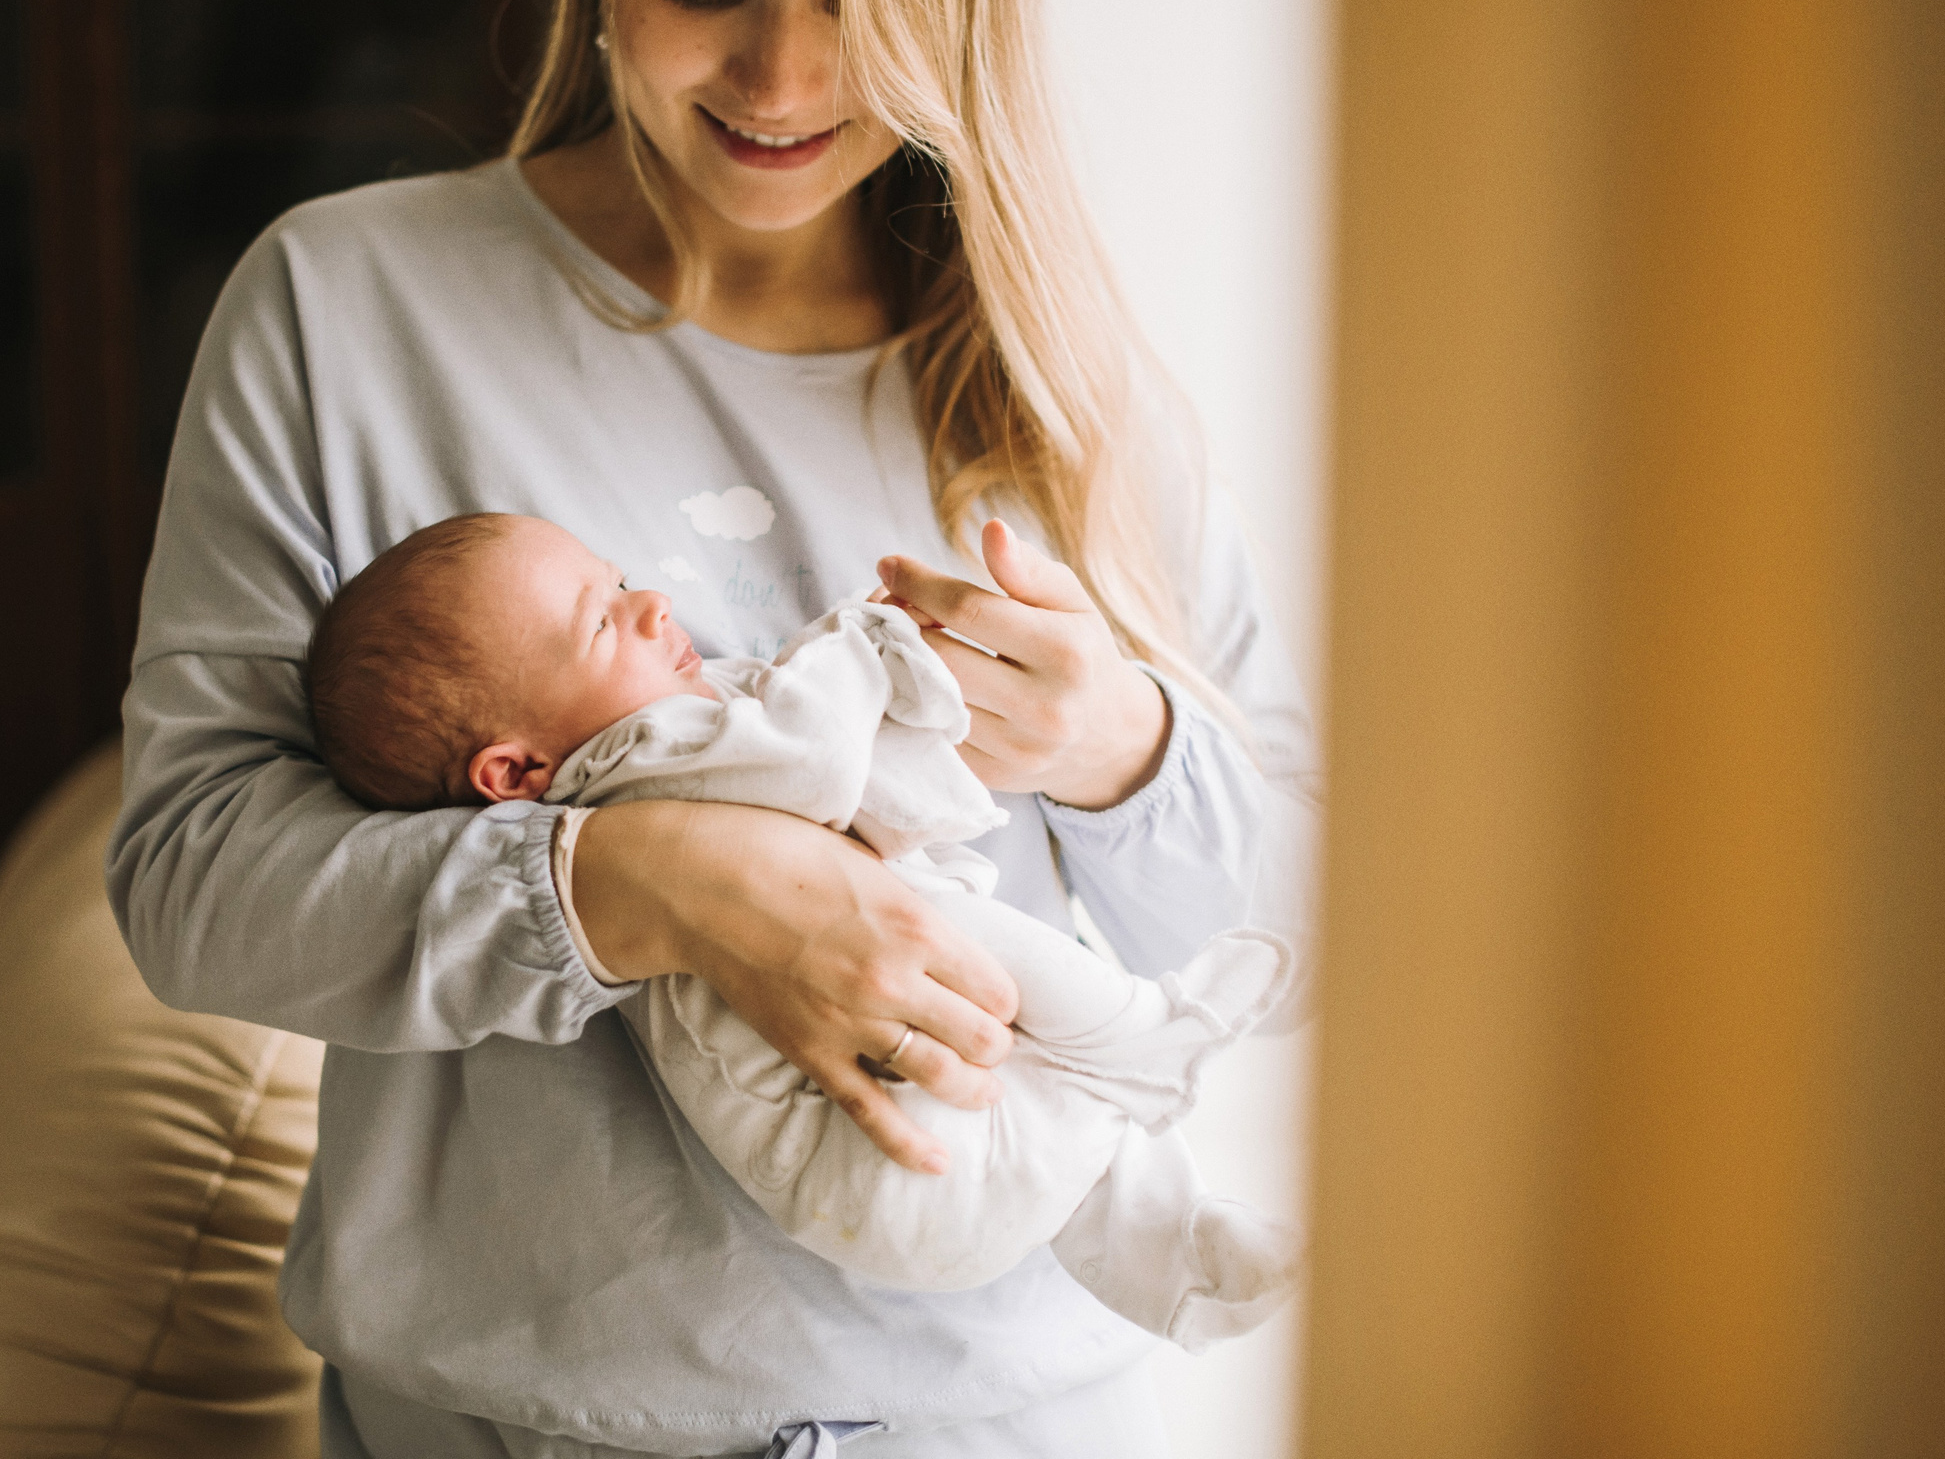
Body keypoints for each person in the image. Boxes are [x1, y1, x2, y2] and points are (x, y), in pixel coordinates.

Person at [105, 0, 1322, 1459]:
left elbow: (1311, 923)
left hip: (1012, 1454)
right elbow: (194, 883)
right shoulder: (347, 310)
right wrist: (656, 886)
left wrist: (1123, 752)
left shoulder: (1067, 375)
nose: (781, 84)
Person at [302, 510, 1303, 1344]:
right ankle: (1152, 1032)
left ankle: (1177, 1264)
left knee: (1064, 1141)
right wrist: (863, 645)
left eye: (618, 582)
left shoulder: (630, 774)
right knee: (986, 964)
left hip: (891, 1205)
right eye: (600, 623)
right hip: (893, 1171)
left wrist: (1115, 738)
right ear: (514, 774)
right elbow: (811, 748)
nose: (651, 604)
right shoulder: (639, 762)